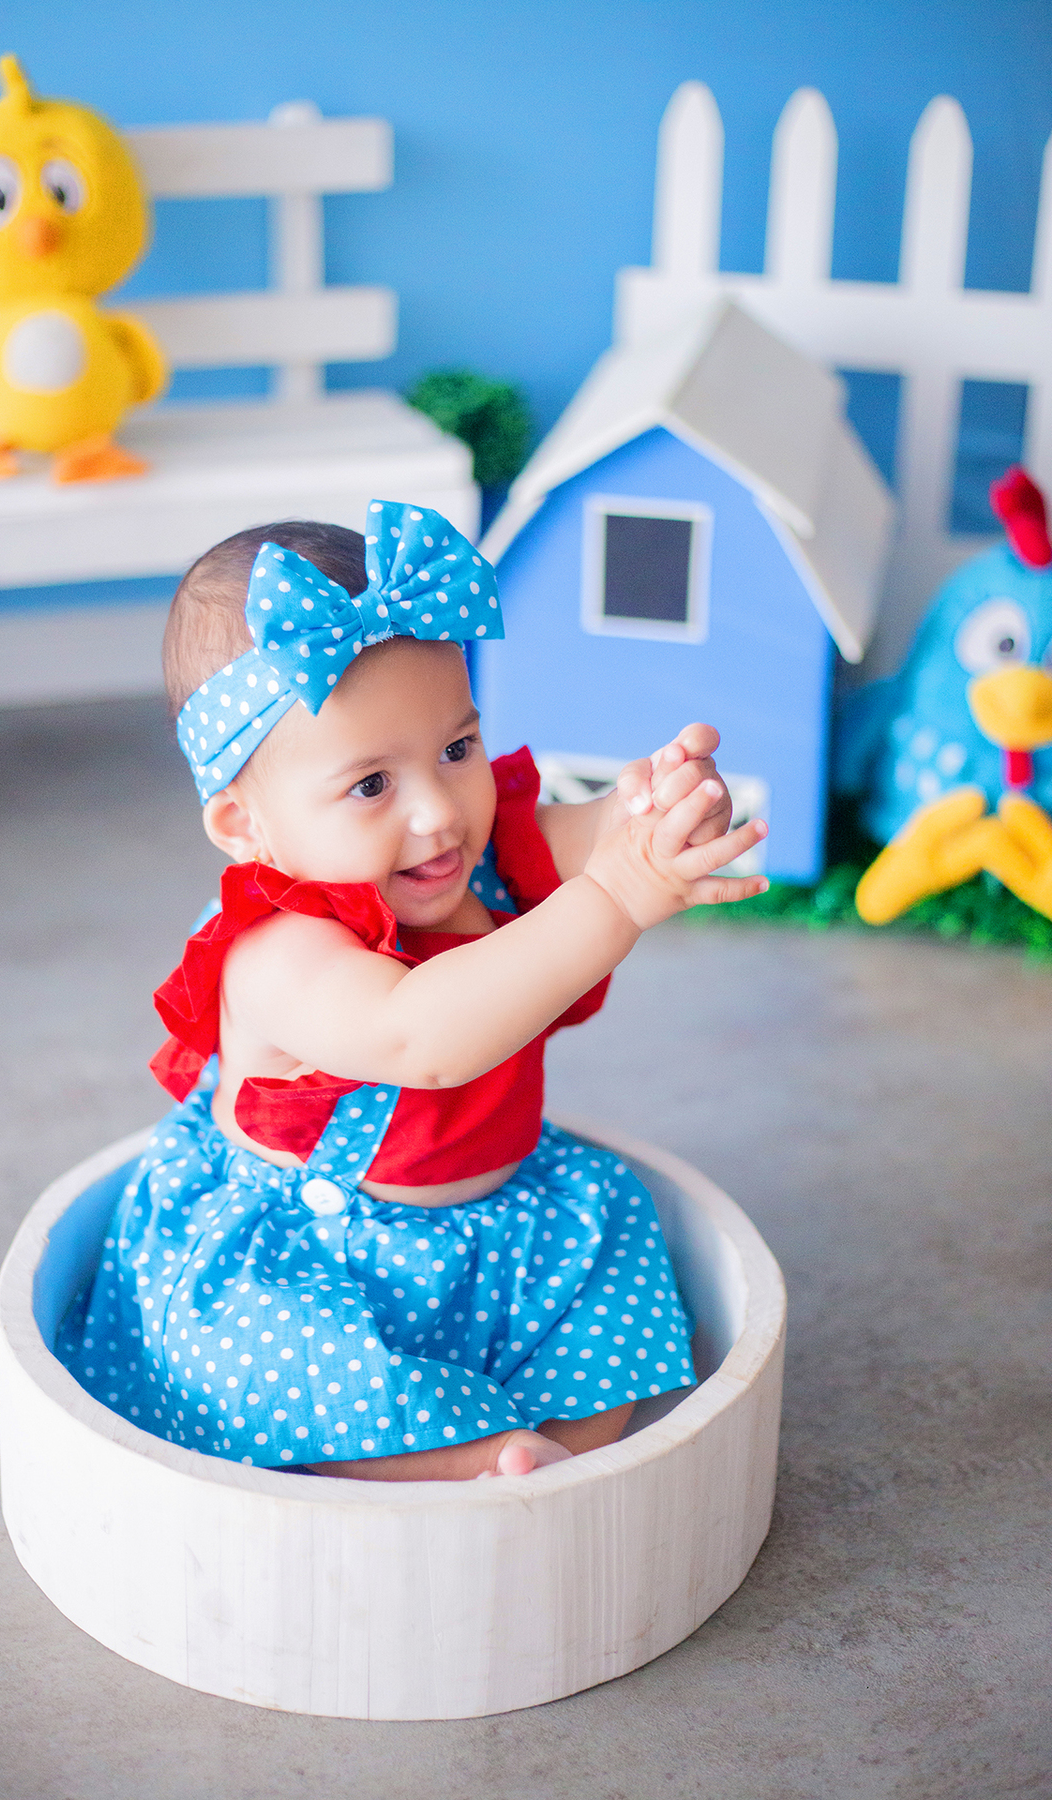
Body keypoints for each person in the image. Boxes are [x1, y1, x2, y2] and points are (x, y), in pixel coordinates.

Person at [56, 500, 768, 1481]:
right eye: (370, 786)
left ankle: (567, 1460)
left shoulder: (474, 855)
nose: (439, 813)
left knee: (614, 1242)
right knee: (275, 1371)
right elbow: (419, 1036)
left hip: (501, 1218)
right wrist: (618, 899)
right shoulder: (277, 955)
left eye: (457, 750)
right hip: (315, 1251)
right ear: (243, 824)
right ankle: (448, 1463)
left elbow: (591, 840)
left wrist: (653, 815)